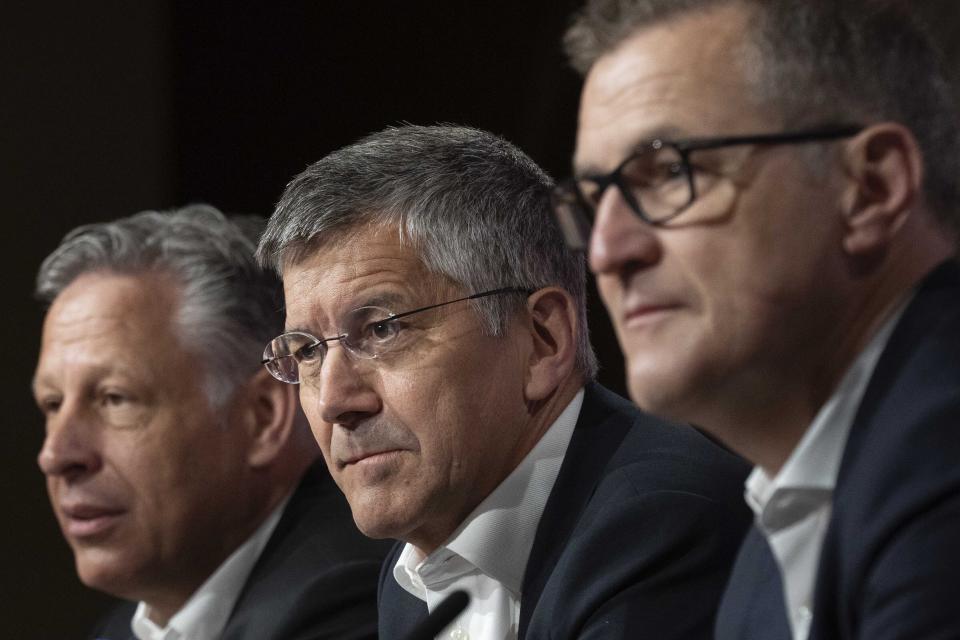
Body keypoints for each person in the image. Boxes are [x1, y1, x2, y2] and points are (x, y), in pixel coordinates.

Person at [556, 1, 960, 638]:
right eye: (594, 200)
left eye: (667, 172)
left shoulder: (939, 462)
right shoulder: (766, 543)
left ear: (871, 188)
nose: (607, 252)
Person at [255, 124, 751, 639]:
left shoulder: (662, 527)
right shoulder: (412, 573)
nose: (335, 400)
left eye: (383, 329)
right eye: (308, 352)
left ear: (542, 341)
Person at [33, 205, 390, 640]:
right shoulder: (121, 630)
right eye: (52, 404)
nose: (56, 455)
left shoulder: (351, 601)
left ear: (262, 417)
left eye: (114, 399)